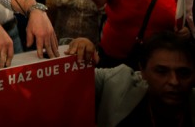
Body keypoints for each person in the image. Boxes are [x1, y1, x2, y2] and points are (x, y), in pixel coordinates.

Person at [66, 32, 195, 127]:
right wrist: (79, 46)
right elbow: (64, 76)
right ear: (142, 71)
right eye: (161, 72)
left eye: (183, 73)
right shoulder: (118, 82)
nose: (174, 81)